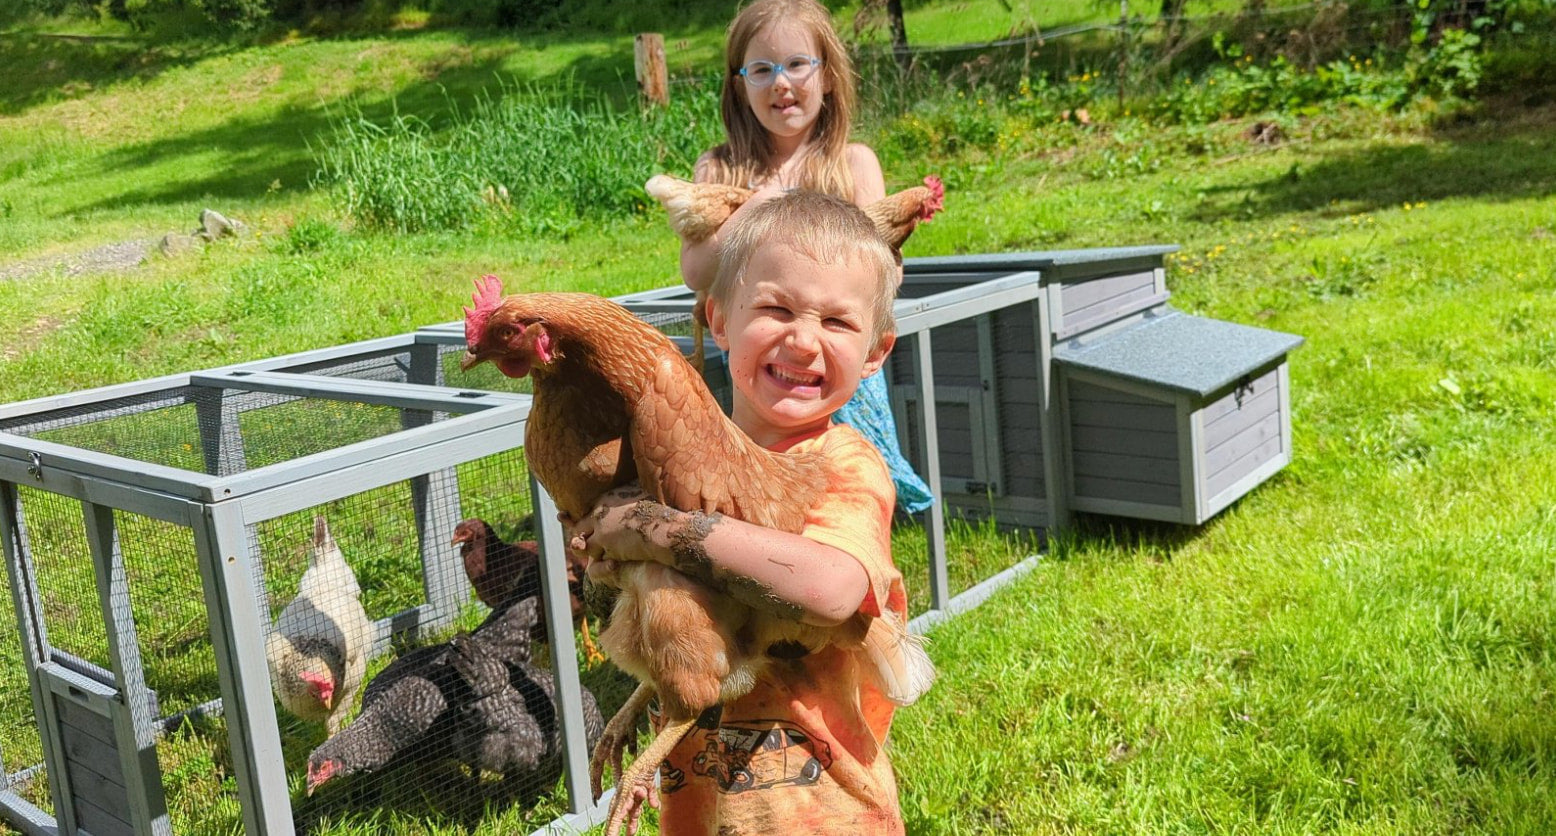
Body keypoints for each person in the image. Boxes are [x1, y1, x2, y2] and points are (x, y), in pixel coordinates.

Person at [572, 192, 915, 835]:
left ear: (876, 351)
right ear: (720, 320)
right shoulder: (680, 458)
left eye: (838, 322)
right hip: (702, 813)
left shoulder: (843, 462)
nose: (804, 339)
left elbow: (833, 589)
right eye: (776, 308)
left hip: (825, 813)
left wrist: (651, 531)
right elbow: (693, 632)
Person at [679, 0, 934, 515]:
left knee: (852, 481)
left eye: (798, 64)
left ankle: (852, 560)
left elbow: (884, 269)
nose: (781, 82)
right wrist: (761, 202)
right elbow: (696, 270)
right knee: (768, 481)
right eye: (761, 69)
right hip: (762, 367)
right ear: (738, 85)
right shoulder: (720, 169)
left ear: (829, 76)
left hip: (839, 364)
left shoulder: (854, 164)